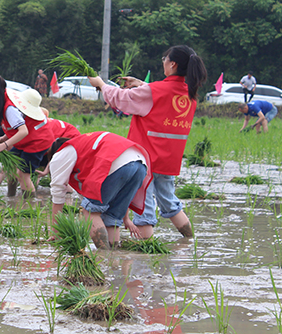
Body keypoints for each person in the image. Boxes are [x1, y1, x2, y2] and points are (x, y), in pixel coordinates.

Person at [88, 45, 207, 239]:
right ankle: (189, 242)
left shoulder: (155, 91)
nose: (163, 63)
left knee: (144, 206)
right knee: (170, 202)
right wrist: (140, 84)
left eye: (164, 59)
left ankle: (145, 256)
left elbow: (120, 98)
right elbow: (161, 96)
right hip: (170, 159)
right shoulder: (190, 93)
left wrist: (101, 84)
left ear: (173, 64)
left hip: (147, 158)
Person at [36, 131, 152, 249]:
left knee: (90, 212)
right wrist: (125, 218)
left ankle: (104, 254)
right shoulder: (85, 148)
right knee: (112, 217)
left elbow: (57, 194)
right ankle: (114, 258)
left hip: (115, 162)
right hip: (140, 163)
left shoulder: (59, 156)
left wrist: (56, 232)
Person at [0, 75, 54, 197]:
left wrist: (4, 144)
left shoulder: (9, 109)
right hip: (25, 140)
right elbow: (17, 127)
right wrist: (4, 137)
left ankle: (29, 207)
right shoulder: (5, 97)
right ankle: (10, 196)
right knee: (9, 166)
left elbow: (23, 131)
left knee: (23, 175)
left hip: (37, 141)